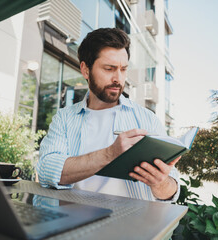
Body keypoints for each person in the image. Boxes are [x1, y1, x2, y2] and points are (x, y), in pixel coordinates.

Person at [36, 28, 180, 201]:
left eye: (123, 69)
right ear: (85, 69)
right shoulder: (65, 118)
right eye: (109, 68)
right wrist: (110, 154)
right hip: (75, 224)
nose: (118, 79)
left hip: (133, 225)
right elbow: (46, 171)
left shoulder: (147, 119)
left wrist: (160, 183)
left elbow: (172, 191)